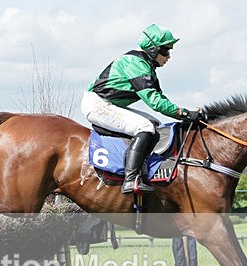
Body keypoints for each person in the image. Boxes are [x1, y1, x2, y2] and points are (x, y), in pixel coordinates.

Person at [82, 23, 207, 194]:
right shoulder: (136, 64)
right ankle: (131, 179)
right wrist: (184, 113)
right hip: (97, 105)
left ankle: (143, 168)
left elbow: (160, 100)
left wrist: (184, 113)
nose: (168, 56)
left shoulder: (146, 66)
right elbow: (155, 102)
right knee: (145, 127)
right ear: (153, 50)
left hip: (107, 104)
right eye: (165, 51)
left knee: (153, 123)